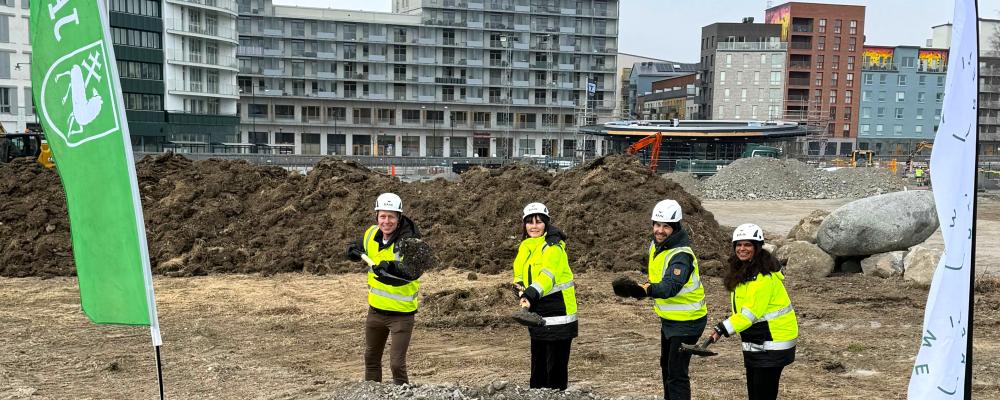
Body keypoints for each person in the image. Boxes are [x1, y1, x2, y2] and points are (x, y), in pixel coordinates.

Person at [706, 223, 798, 400]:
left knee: (762, 394)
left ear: (757, 247)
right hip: (758, 339)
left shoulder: (762, 278)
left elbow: (750, 314)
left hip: (772, 342)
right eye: (739, 245)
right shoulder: (745, 271)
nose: (742, 249)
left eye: (747, 245)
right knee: (756, 393)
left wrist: (721, 329)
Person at [345, 192, 422, 385]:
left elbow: (413, 271)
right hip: (376, 312)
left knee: (396, 364)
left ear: (399, 217)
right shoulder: (371, 233)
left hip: (401, 316)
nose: (386, 221)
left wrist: (391, 267)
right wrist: (353, 250)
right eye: (382, 216)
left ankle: (403, 395)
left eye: (391, 216)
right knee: (371, 360)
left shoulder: (411, 242)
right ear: (377, 216)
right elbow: (360, 247)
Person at [639, 199, 707, 400]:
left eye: (666, 226)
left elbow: (670, 286)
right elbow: (658, 278)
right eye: (657, 225)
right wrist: (646, 287)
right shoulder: (658, 246)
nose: (660, 230)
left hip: (688, 321)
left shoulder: (681, 256)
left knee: (676, 373)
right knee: (667, 366)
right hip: (670, 320)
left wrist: (645, 291)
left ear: (675, 227)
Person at [513, 202, 578, 390]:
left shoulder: (554, 247)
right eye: (530, 222)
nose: (534, 226)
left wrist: (530, 294)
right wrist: (519, 290)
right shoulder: (525, 246)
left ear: (546, 224)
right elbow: (519, 273)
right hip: (537, 312)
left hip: (559, 313)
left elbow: (547, 276)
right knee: (538, 367)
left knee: (555, 370)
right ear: (524, 225)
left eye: (539, 222)